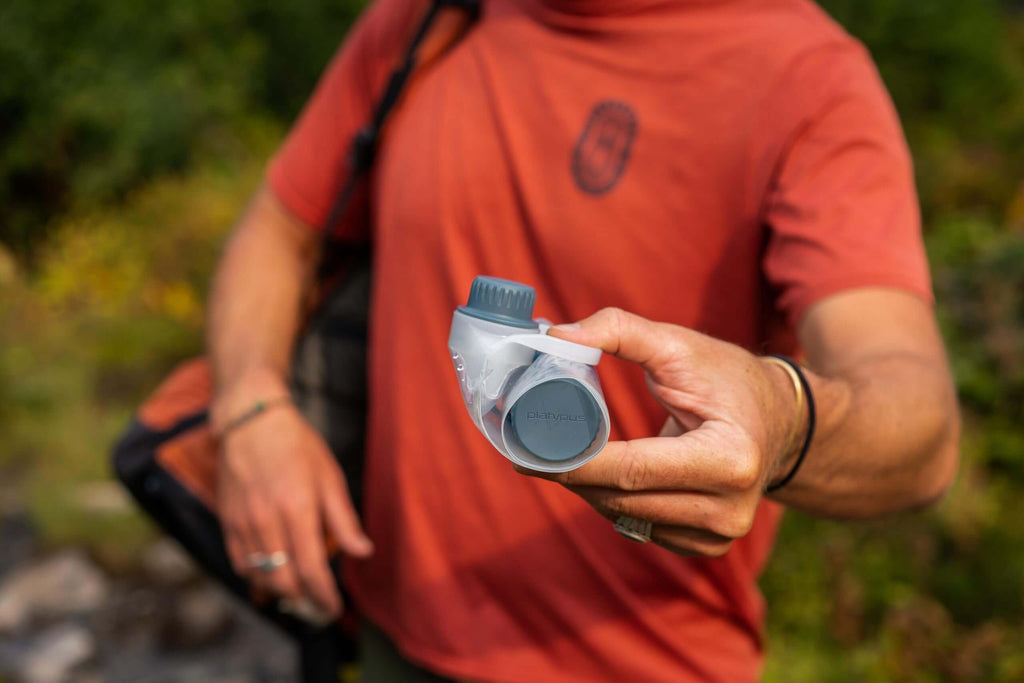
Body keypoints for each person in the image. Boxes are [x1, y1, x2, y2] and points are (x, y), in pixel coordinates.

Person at [205, 0, 961, 679]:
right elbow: (279, 230)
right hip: (392, 632)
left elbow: (919, 423)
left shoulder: (808, 78)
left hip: (641, 660)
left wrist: (783, 417)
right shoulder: (427, 17)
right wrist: (250, 409)